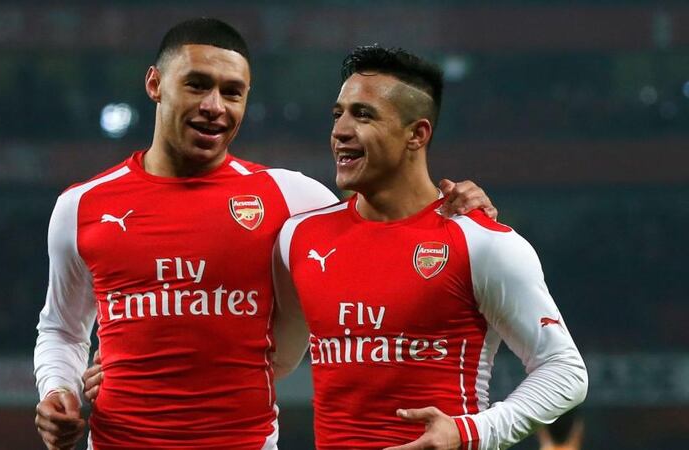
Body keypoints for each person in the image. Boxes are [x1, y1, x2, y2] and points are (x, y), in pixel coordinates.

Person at [34, 19, 497, 450]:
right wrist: (59, 390)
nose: (214, 106)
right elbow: (62, 328)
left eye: (232, 92)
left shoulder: (292, 199)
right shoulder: (82, 205)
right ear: (155, 84)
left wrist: (458, 208)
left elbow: (392, 224)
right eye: (197, 84)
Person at [271, 45, 588, 450]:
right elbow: (272, 358)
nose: (340, 130)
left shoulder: (483, 243)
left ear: (417, 134)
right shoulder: (298, 237)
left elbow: (565, 370)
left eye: (363, 115)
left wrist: (470, 432)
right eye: (338, 114)